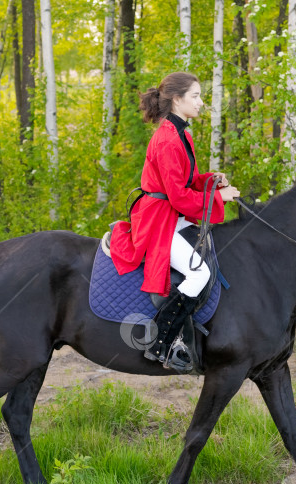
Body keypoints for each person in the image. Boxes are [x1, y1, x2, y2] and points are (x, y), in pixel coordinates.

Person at [109, 72, 240, 369]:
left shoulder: (181, 133)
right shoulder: (167, 139)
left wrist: (210, 181)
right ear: (177, 99)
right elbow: (179, 197)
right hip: (158, 221)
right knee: (199, 275)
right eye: (195, 96)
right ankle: (161, 342)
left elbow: (188, 181)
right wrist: (220, 199)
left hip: (170, 215)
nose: (201, 102)